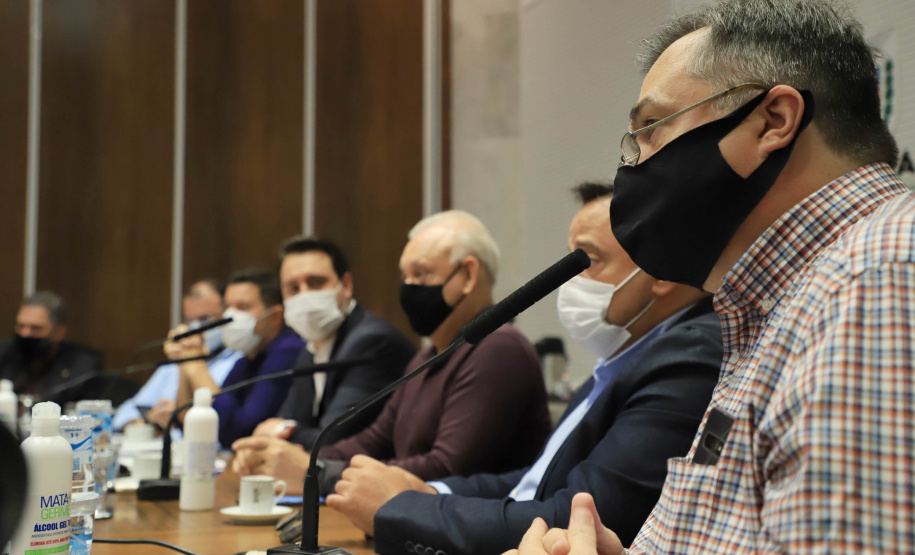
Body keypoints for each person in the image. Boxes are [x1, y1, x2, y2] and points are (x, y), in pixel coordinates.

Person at [513, 1, 915, 553]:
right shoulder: (779, 302)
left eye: (650, 129)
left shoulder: (875, 281)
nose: (633, 165)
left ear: (773, 120)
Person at [324, 183, 722, 554]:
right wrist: (428, 491)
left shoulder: (687, 357)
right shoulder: (621, 361)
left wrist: (402, 506)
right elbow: (534, 480)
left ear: (663, 272)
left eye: (587, 260)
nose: (568, 280)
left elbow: (578, 519)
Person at [231, 210, 552, 495]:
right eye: (405, 276)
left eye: (421, 274)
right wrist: (293, 456)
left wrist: (315, 472)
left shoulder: (499, 347)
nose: (408, 287)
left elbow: (447, 466)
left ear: (468, 276)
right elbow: (372, 440)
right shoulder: (428, 356)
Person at [249, 236, 416, 449]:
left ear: (345, 285)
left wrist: (277, 431)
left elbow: (331, 440)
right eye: (293, 288)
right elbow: (292, 420)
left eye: (316, 283)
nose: (305, 295)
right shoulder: (309, 350)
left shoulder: (372, 342)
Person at [169, 268, 303, 446]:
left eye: (243, 307)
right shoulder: (246, 360)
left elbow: (239, 430)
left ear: (275, 317)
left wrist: (196, 366)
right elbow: (191, 422)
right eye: (227, 307)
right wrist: (184, 361)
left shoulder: (289, 351)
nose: (230, 317)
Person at [112, 280, 243, 432]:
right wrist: (149, 421)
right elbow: (125, 412)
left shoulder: (239, 359)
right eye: (189, 320)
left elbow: (225, 420)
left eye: (204, 319)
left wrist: (193, 362)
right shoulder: (175, 361)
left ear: (226, 315)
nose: (195, 328)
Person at [0, 292, 103, 405]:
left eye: (35, 328)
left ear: (59, 332)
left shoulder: (84, 367)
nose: (25, 334)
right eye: (21, 326)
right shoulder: (4, 353)